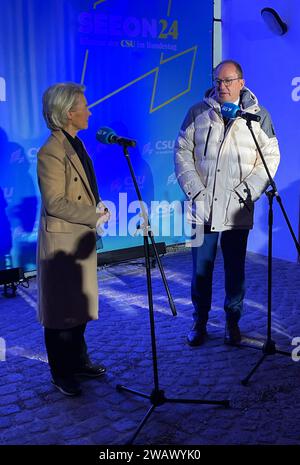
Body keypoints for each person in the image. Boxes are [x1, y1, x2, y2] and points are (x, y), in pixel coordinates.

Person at [174, 60, 280, 346]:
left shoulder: (259, 117)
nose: (222, 86)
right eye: (218, 81)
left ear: (241, 83)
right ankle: (200, 321)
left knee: (235, 269)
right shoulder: (198, 112)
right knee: (200, 270)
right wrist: (195, 190)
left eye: (228, 81)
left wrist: (246, 192)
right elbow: (182, 150)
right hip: (202, 208)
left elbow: (270, 159)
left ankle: (232, 322)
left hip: (237, 209)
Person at [37, 82, 110, 396]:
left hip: (79, 239)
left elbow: (84, 187)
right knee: (60, 315)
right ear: (69, 113)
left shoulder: (75, 143)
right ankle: (61, 372)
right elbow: (54, 202)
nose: (89, 111)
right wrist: (92, 215)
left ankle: (78, 362)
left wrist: (98, 205)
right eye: (84, 106)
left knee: (77, 309)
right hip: (63, 242)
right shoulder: (51, 151)